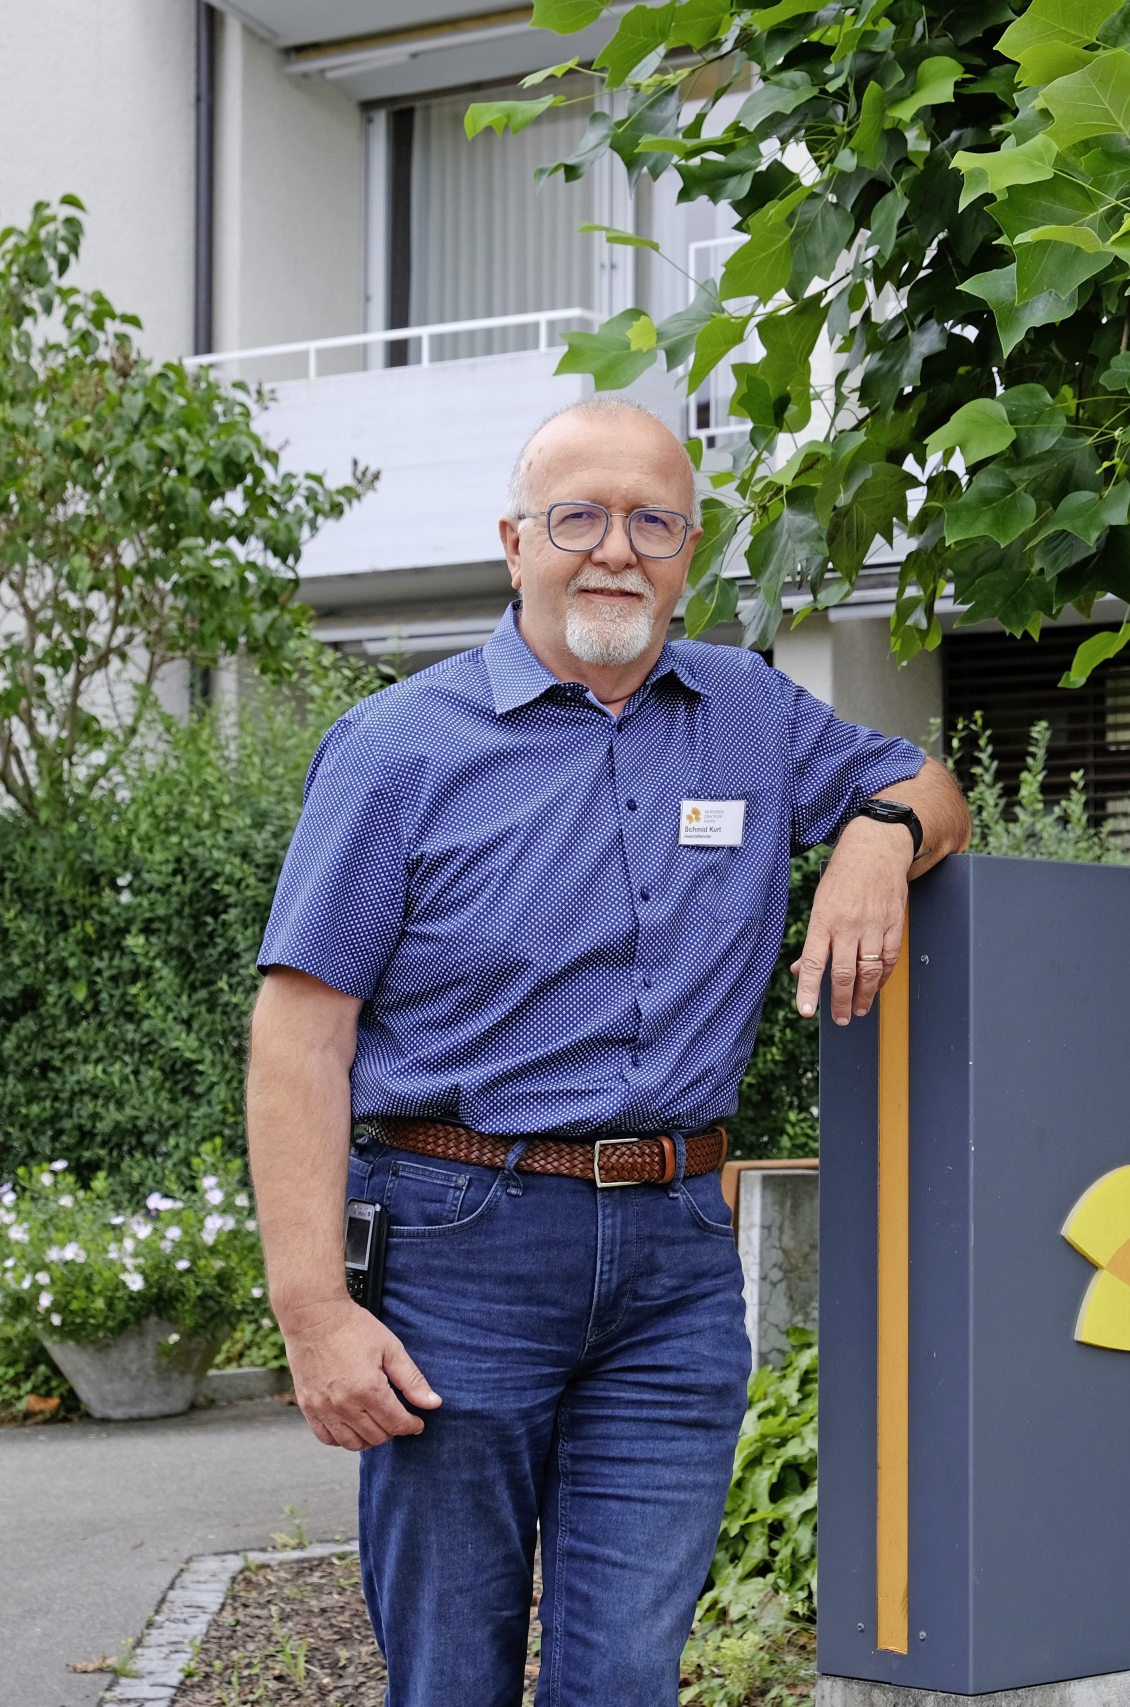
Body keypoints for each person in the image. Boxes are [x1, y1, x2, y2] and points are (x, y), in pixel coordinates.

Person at [245, 397, 970, 1706]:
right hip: (459, 1251)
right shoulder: (398, 749)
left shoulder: (749, 714)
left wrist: (871, 840)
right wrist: (314, 1313)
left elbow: (928, 785)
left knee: (628, 1674)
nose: (615, 549)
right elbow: (300, 1032)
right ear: (515, 541)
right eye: (578, 516)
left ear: (690, 551)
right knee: (450, 1673)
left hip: (679, 1265)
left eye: (652, 520)